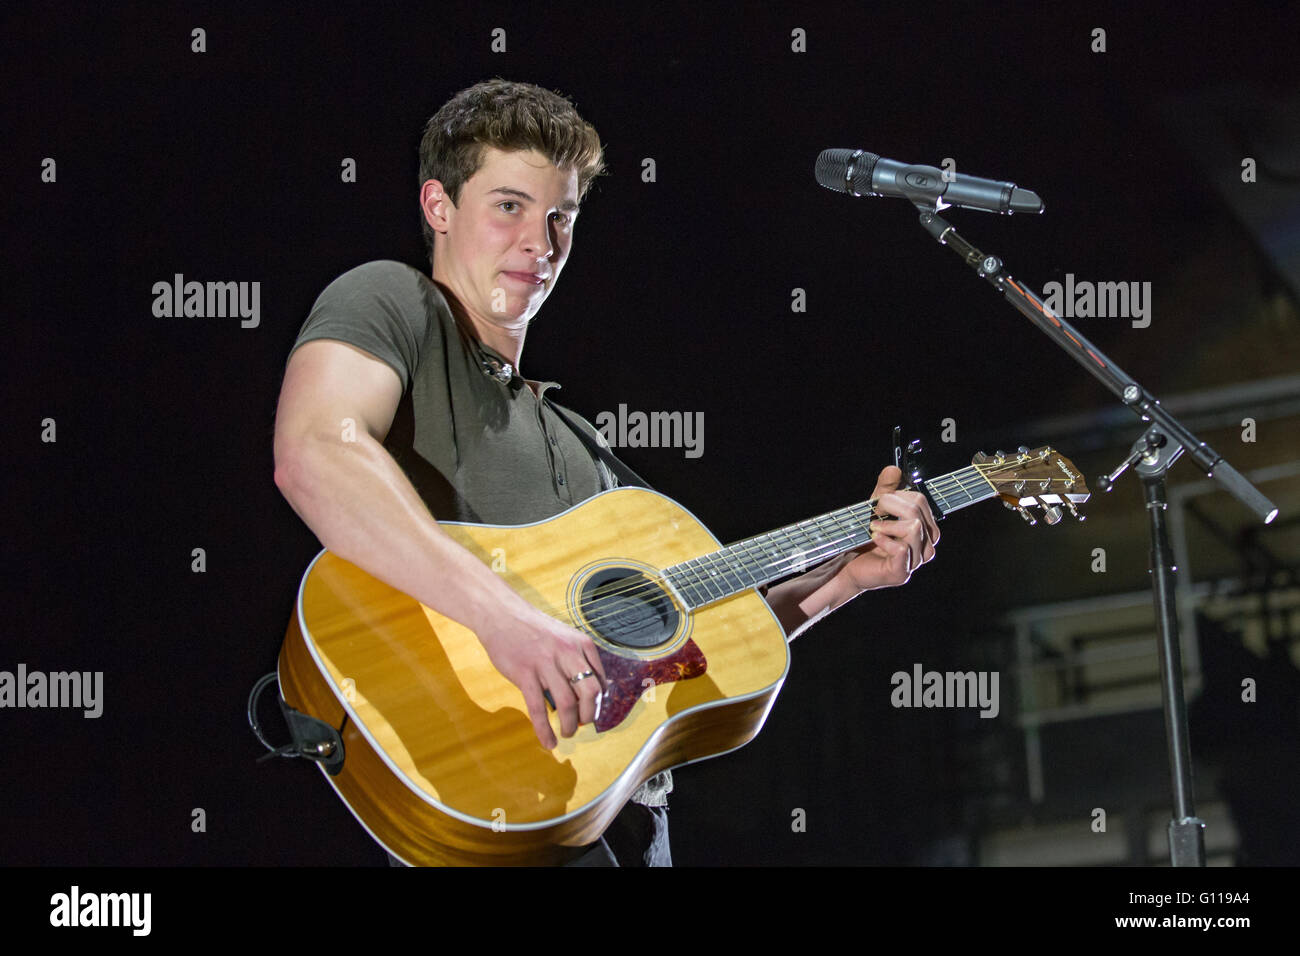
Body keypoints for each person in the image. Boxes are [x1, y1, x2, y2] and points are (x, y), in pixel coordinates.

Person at [271, 78, 939, 866]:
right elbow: (317, 451)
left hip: (616, 822)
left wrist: (848, 577)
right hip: (489, 790)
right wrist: (505, 622)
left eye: (562, 216)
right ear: (439, 206)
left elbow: (694, 656)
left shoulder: (588, 454)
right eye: (509, 206)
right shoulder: (394, 302)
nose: (540, 241)